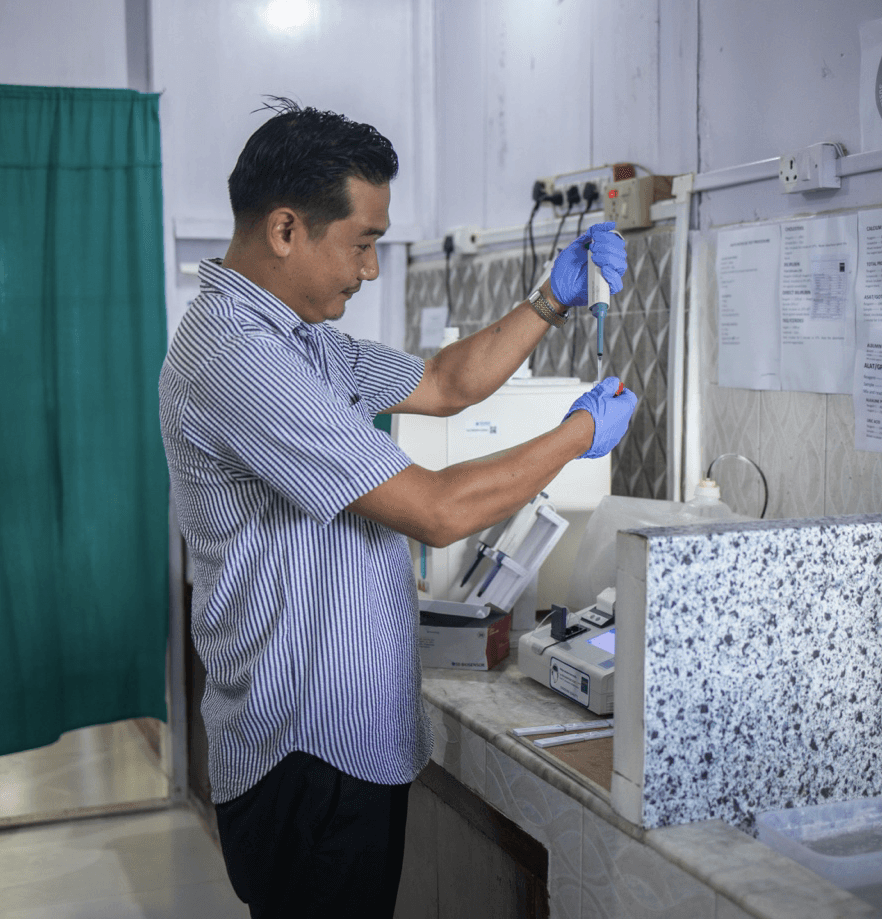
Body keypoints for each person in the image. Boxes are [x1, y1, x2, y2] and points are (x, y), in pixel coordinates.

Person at [158, 98, 637, 918]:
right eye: (364, 243)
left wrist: (548, 301)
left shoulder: (300, 337)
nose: (371, 269)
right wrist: (578, 436)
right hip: (303, 757)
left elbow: (445, 383)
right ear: (285, 230)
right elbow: (441, 508)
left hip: (343, 748)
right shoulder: (237, 358)